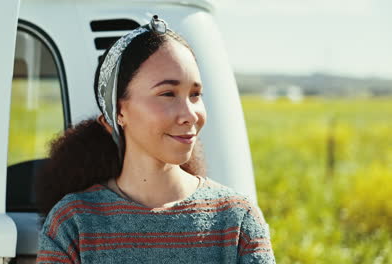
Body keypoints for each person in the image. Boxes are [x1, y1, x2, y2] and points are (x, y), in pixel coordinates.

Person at [35, 15, 276, 264]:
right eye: (168, 93)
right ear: (119, 111)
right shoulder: (73, 223)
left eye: (195, 94)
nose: (190, 114)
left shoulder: (237, 219)